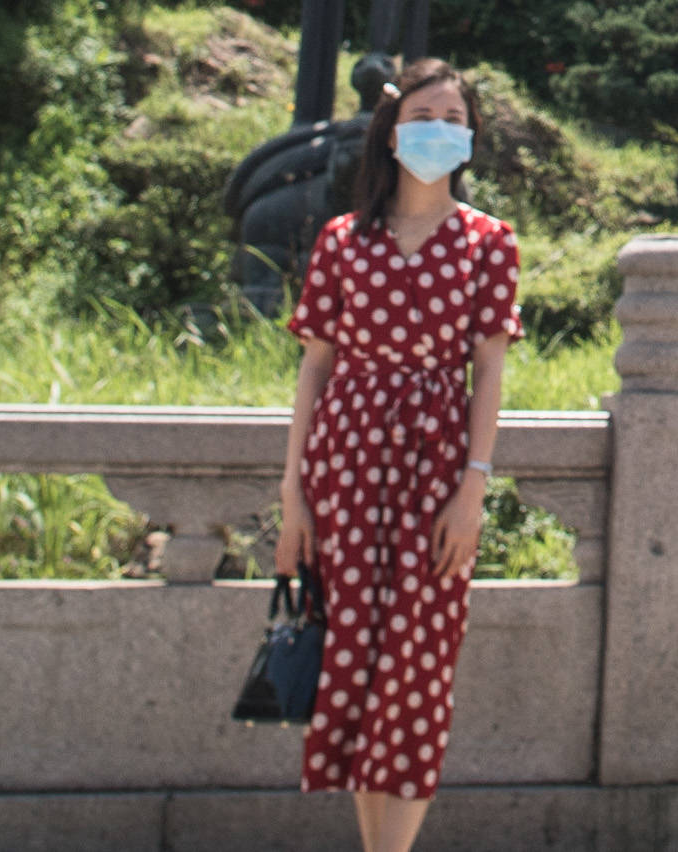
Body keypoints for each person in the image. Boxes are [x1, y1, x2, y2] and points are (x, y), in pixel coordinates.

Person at [271, 59, 522, 848]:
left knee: (417, 671)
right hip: (344, 465)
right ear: (392, 130)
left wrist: (472, 489)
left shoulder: (489, 243)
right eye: (426, 114)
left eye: (455, 118)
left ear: (471, 137)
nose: (440, 130)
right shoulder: (343, 241)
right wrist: (293, 496)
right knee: (353, 661)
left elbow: (488, 372)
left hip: (439, 467)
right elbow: (315, 366)